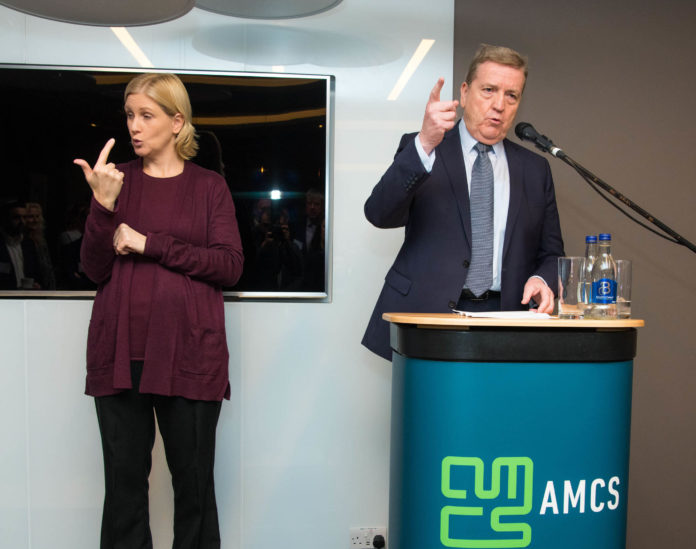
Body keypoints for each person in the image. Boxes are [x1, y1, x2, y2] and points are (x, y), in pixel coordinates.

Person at [74, 73, 244, 548]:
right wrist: (103, 207)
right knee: (124, 494)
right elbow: (92, 268)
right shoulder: (115, 182)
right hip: (120, 355)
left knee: (194, 491)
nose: (134, 126)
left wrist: (151, 244)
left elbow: (229, 266)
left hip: (191, 356)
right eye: (129, 115)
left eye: (146, 115)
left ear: (177, 121)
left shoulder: (209, 187)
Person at [362, 44, 565, 360]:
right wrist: (426, 142)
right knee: (430, 409)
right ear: (465, 92)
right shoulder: (425, 149)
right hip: (427, 316)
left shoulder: (535, 169)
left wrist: (541, 279)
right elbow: (379, 213)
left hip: (508, 319)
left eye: (511, 95)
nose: (499, 104)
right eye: (489, 90)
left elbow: (552, 253)